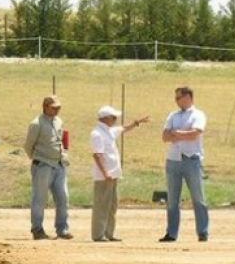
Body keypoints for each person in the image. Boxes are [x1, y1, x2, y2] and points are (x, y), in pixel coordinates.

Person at [89, 106, 150, 242]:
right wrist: (105, 173)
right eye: (113, 117)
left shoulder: (109, 131)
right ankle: (98, 234)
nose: (115, 119)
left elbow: (124, 129)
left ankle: (109, 233)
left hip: (113, 175)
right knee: (102, 205)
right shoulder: (97, 134)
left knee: (112, 205)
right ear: (106, 118)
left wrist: (137, 122)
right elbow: (97, 155)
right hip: (104, 176)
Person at [159, 86, 209, 242]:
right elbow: (165, 137)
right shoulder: (172, 115)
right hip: (173, 159)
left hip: (191, 160)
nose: (176, 100)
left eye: (178, 97)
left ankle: (202, 231)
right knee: (172, 199)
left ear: (188, 97)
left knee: (197, 197)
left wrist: (175, 133)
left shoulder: (198, 115)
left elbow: (194, 134)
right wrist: (179, 134)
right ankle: (171, 233)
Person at [24, 95, 73, 240]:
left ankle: (62, 228)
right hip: (43, 165)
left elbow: (61, 140)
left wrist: (63, 155)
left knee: (63, 197)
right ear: (45, 107)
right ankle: (37, 229)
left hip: (59, 164)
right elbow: (28, 145)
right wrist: (38, 158)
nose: (57, 110)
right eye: (54, 108)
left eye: (58, 108)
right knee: (40, 198)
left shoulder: (58, 121)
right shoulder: (36, 124)